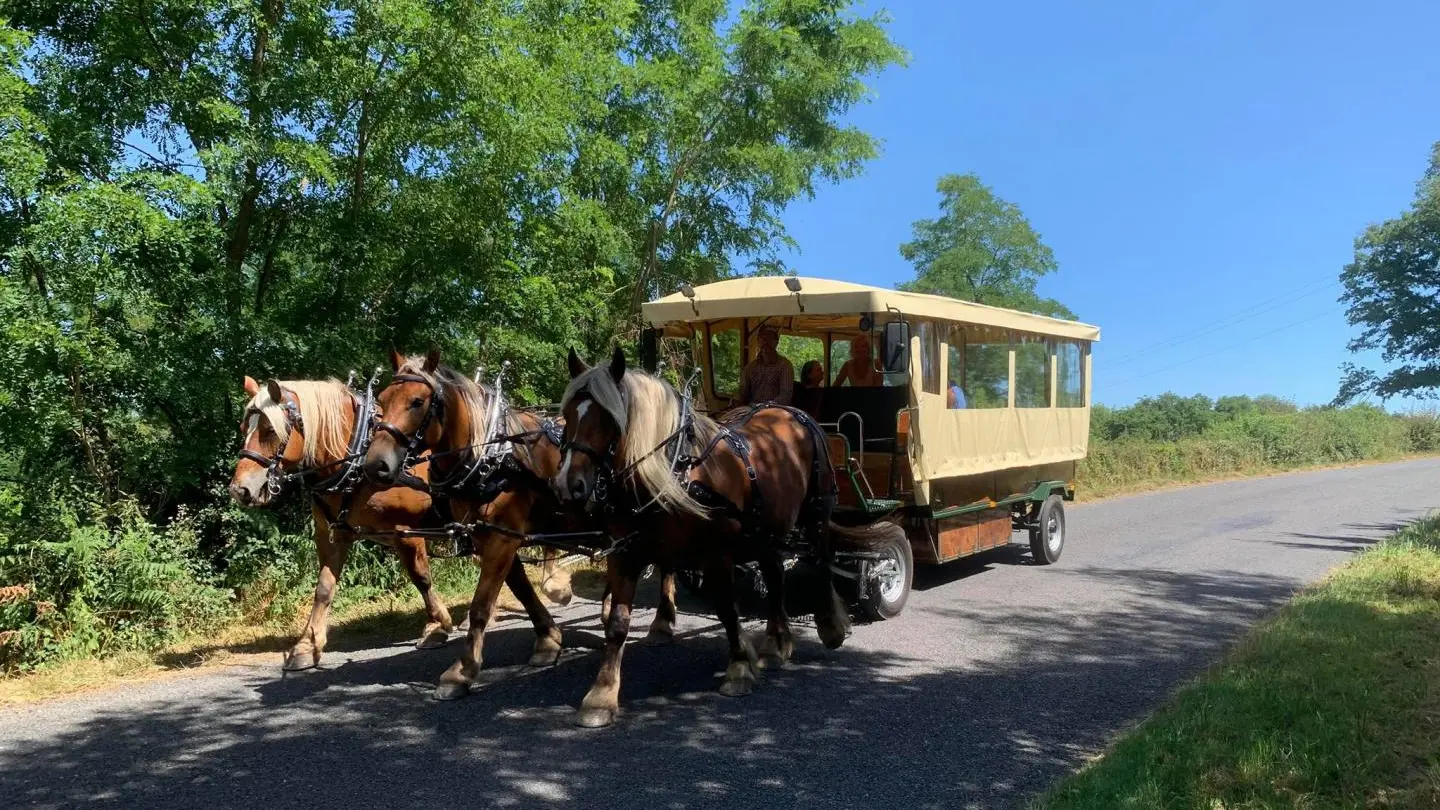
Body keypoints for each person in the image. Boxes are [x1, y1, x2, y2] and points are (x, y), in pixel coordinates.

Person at [738, 325, 793, 405]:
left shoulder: (785, 366)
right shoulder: (750, 367)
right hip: (752, 409)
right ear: (758, 342)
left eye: (770, 339)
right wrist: (736, 400)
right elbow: (743, 392)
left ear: (776, 342)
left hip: (776, 410)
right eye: (763, 338)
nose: (766, 342)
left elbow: (785, 395)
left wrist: (767, 406)